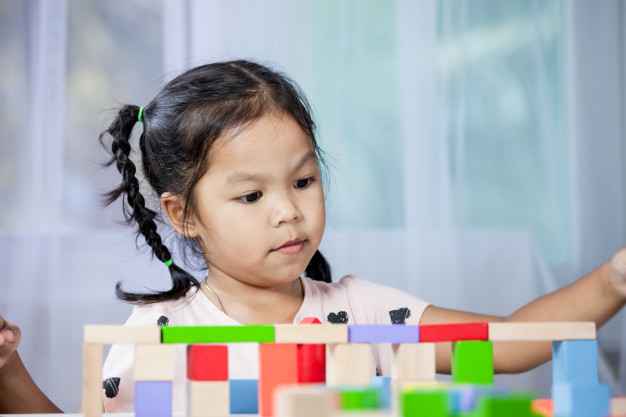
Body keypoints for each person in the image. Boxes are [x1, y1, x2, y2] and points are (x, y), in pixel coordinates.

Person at [2, 59, 626, 413]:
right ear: (183, 214)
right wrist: (11, 374)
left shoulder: (367, 315)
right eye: (251, 196)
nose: (288, 211)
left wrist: (613, 279)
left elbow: (508, 344)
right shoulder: (160, 336)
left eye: (302, 181)